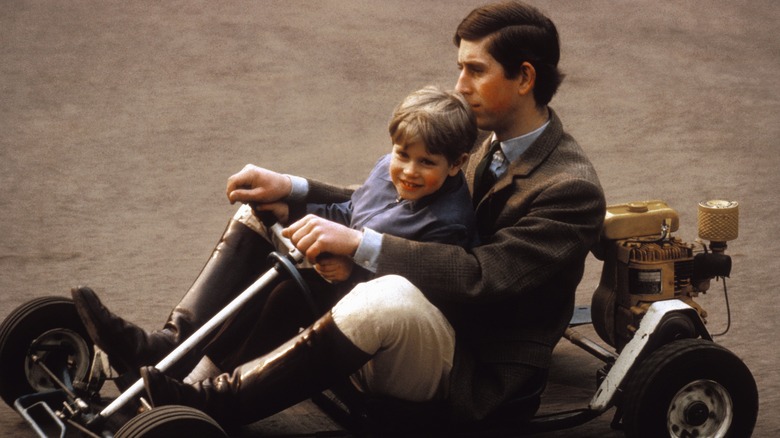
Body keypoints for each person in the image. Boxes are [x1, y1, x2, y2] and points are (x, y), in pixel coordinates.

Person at [81, 0, 607, 429]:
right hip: (430, 322)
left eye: (475, 70)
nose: (459, 86)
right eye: (458, 69)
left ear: (524, 77)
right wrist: (290, 189)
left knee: (385, 294)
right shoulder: (482, 143)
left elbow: (484, 277)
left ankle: (217, 403)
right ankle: (169, 351)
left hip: (474, 366)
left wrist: (358, 245)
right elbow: (389, 201)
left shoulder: (570, 188)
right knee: (265, 215)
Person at [71, 85, 478, 381]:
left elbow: (412, 290)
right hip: (331, 273)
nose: (408, 170)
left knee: (282, 296)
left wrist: (352, 272)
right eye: (402, 155)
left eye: (426, 163)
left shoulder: (446, 223)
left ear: (456, 164)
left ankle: (201, 381)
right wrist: (288, 208)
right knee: (262, 236)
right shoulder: (385, 173)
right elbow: (347, 212)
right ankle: (165, 348)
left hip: (367, 313)